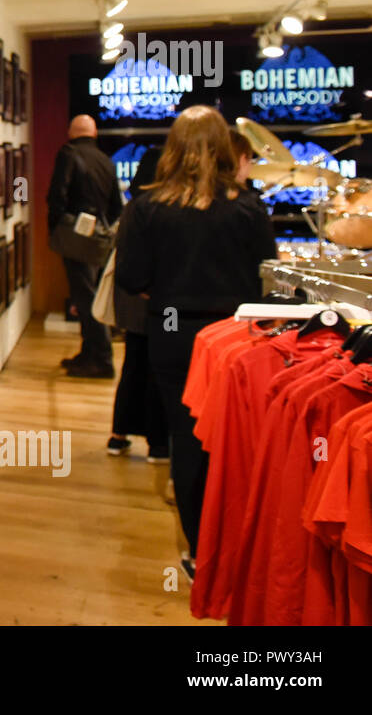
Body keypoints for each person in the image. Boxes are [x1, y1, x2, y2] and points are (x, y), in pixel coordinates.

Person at [115, 106, 276, 580]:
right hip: (236, 333)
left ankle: (201, 552)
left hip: (171, 328)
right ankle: (242, 545)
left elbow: (131, 277)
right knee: (238, 440)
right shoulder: (247, 206)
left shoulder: (145, 207)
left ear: (173, 147)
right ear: (227, 149)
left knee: (189, 440)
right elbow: (267, 276)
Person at [47, 114, 123, 377]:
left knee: (86, 297)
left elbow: (57, 195)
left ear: (71, 132)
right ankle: (89, 352)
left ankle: (101, 358)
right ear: (93, 133)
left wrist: (57, 227)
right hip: (99, 241)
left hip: (75, 238)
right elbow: (117, 207)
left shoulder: (68, 154)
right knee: (91, 295)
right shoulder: (106, 161)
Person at [106, 145, 168, 460]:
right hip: (155, 301)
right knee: (157, 368)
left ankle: (118, 435)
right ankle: (158, 442)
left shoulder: (134, 205)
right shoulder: (157, 207)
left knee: (133, 365)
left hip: (131, 301)